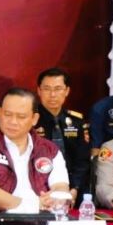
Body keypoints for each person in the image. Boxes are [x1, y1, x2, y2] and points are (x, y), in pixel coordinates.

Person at [0, 88, 70, 212]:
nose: (13, 122)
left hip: (43, 215)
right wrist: (33, 204)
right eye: (7, 114)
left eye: (21, 117)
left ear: (34, 119)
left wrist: (54, 198)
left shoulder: (50, 150)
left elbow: (61, 186)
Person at [35, 67, 91, 203]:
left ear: (67, 91)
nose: (52, 94)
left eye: (58, 89)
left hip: (72, 188)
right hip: (38, 188)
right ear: (39, 91)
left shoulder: (76, 121)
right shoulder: (30, 120)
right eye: (47, 89)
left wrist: (74, 188)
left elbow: (82, 160)